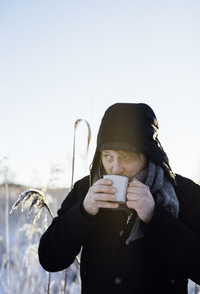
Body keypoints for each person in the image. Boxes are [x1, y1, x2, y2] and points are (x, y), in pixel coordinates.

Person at [38, 103, 200, 294]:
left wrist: (155, 217)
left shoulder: (183, 192)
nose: (115, 168)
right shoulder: (86, 189)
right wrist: (83, 212)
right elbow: (50, 259)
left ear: (149, 155)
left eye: (126, 157)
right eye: (108, 156)